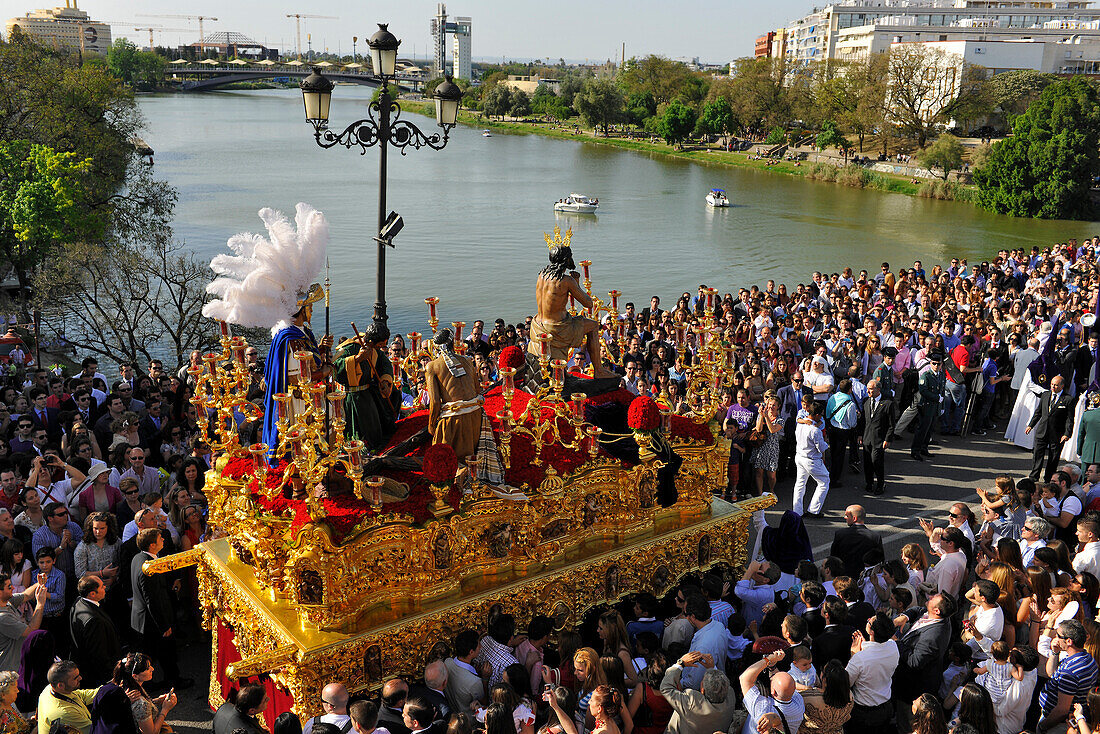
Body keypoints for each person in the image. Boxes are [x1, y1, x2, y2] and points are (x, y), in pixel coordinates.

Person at [528, 235, 615, 378]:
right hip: (558, 328)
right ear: (565, 260)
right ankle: (598, 371)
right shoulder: (566, 280)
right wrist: (576, 282)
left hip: (538, 323)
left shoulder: (541, 275)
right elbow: (588, 303)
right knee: (593, 326)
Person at [129, 529, 190, 691]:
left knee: (156, 654)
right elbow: (152, 601)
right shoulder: (150, 568)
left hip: (143, 619)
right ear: (152, 545)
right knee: (163, 653)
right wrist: (164, 626)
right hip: (153, 622)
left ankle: (155, 682)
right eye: (160, 538)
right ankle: (170, 681)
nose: (163, 539)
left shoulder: (138, 558)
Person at [332, 323, 401, 452]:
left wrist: (385, 381)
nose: (381, 348)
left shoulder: (375, 350)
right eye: (379, 345)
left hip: (365, 396)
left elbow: (384, 363)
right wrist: (357, 359)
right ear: (370, 341)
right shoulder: (348, 348)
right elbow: (334, 368)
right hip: (347, 398)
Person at [1037, 618, 1098, 732]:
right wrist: (1055, 652)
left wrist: (1043, 726)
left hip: (1057, 724)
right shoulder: (1087, 658)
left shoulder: (1069, 672)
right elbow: (1051, 674)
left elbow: (1062, 710)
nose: (1055, 639)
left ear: (1069, 641)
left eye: (1058, 635)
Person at [845, 613, 898, 731]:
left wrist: (854, 655)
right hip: (886, 707)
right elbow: (876, 655)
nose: (868, 619)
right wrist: (864, 646)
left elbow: (846, 682)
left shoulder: (860, 658)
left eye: (870, 621)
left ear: (872, 632)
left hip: (864, 713)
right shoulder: (893, 646)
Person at [659, 652, 735, 734]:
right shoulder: (730, 698)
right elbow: (724, 687)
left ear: (702, 690)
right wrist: (712, 669)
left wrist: (680, 664)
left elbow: (666, 688)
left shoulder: (692, 703)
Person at [68, 575, 120, 687]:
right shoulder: (94, 620)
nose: (105, 588)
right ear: (92, 594)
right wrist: (111, 677)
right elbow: (99, 653)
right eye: (101, 587)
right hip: (97, 676)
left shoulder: (79, 602)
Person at [738, 650, 805, 734]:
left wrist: (767, 660)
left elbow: (744, 679)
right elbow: (785, 685)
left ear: (773, 691)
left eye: (772, 680)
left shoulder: (763, 709)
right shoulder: (798, 703)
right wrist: (772, 667)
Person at [110, 653, 176, 734]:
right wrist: (165, 709)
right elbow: (151, 732)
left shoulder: (127, 686)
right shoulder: (140, 702)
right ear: (135, 676)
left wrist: (156, 701)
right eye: (148, 668)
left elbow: (136, 711)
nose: (152, 669)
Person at [1028, 375, 1074, 482]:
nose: (1053, 387)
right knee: (1037, 454)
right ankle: (1033, 477)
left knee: (1053, 457)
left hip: (1057, 433)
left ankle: (1049, 478)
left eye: (1056, 385)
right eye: (1052, 384)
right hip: (1042, 431)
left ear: (1062, 386)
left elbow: (1069, 419)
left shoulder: (1068, 399)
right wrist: (1031, 425)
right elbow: (1038, 412)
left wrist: (1067, 433)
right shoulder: (1045, 395)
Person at [36, 660, 100, 734]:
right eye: (76, 678)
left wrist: (110, 688)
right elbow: (96, 730)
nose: (80, 678)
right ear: (60, 685)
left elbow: (82, 695)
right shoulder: (64, 713)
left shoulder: (51, 689)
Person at [0, 574, 46, 672]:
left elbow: (26, 595)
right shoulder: (3, 618)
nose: (13, 588)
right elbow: (31, 630)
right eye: (9, 587)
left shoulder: (8, 602)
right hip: (9, 672)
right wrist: (40, 604)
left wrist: (40, 583)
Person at [793, 401, 830, 517]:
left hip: (799, 457)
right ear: (818, 415)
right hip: (811, 460)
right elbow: (821, 447)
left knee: (800, 484)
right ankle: (813, 510)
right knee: (824, 481)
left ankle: (797, 511)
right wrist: (827, 443)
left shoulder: (800, 425)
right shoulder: (815, 430)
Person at [861, 379, 896, 496]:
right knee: (867, 463)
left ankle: (880, 484)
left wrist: (888, 439)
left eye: (871, 389)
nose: (868, 391)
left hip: (879, 439)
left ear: (878, 389)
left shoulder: (887, 404)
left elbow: (891, 424)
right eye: (867, 389)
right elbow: (863, 421)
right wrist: (860, 435)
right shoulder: (866, 402)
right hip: (867, 438)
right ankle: (869, 483)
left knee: (876, 461)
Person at [829, 505, 883, 580]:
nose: (845, 517)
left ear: (854, 518)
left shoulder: (840, 534)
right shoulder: (875, 536)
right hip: (865, 578)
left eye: (847, 516)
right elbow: (880, 560)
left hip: (844, 578)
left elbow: (834, 557)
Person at [444, 630, 487, 713]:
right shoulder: (474, 682)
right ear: (471, 652)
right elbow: (483, 702)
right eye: (479, 645)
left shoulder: (447, 662)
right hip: (469, 719)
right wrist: (485, 679)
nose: (481, 647)